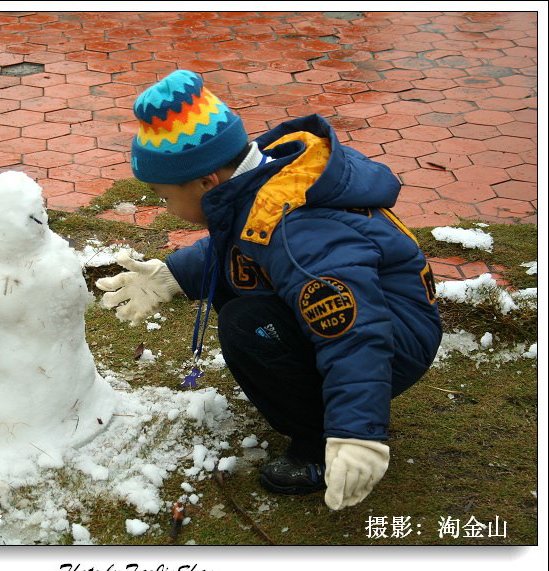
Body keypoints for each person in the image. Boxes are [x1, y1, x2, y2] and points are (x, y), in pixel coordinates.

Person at [96, 69, 443, 511]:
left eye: (164, 196)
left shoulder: (299, 233)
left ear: (207, 182)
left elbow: (353, 330)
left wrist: (357, 435)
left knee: (247, 324)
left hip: (390, 340)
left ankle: (318, 443)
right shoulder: (264, 185)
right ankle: (326, 403)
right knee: (243, 298)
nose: (165, 207)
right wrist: (173, 274)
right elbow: (246, 241)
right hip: (378, 316)